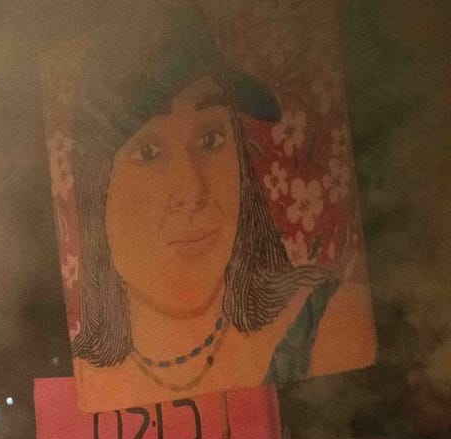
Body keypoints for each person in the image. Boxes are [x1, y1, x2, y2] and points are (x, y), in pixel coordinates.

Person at [65, 5, 372, 411]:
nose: (192, 189)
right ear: (97, 191)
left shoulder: (333, 324)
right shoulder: (83, 383)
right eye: (149, 151)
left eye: (211, 140)